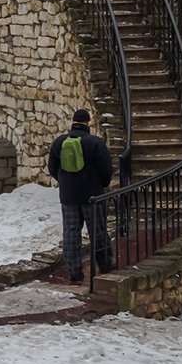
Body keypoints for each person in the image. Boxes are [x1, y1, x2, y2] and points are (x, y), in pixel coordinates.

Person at [47, 108, 114, 282]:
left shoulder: (60, 142)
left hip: (68, 197)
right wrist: (101, 184)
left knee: (70, 233)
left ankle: (74, 272)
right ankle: (105, 265)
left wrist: (65, 182)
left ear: (73, 121)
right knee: (97, 231)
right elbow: (106, 169)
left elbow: (52, 168)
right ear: (88, 123)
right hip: (93, 197)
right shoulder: (94, 142)